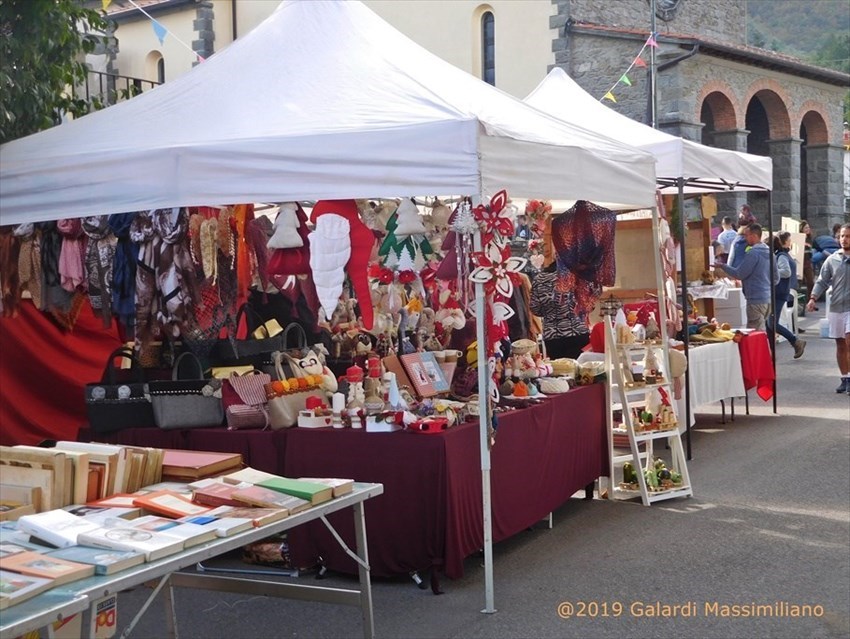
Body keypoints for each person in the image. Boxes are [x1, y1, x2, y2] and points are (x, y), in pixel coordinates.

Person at [806, 223, 850, 393]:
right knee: (840, 344)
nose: (844, 240)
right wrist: (812, 298)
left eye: (847, 236)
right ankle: (844, 378)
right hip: (837, 307)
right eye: (842, 236)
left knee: (849, 341)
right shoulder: (833, 259)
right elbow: (822, 280)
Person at [714, 223, 777, 332]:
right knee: (761, 331)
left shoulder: (753, 253)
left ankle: (762, 349)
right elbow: (776, 278)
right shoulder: (770, 253)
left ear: (754, 236)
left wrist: (722, 266)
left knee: (756, 334)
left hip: (755, 300)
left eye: (746, 235)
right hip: (767, 299)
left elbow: (739, 274)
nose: (745, 238)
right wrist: (765, 285)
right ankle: (765, 349)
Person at [529, 260, 590, 359]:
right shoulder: (576, 276)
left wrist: (549, 313)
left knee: (559, 369)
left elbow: (534, 308)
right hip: (577, 331)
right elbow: (588, 305)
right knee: (580, 369)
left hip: (552, 335)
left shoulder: (539, 279)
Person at [769, 232, 806, 359]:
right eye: (789, 239)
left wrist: (770, 271)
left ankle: (795, 341)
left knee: (772, 323)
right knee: (770, 323)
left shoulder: (781, 256)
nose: (791, 242)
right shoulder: (784, 255)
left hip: (779, 292)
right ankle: (770, 351)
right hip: (782, 291)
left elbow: (786, 272)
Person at [800, 220, 816, 302]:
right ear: (801, 229)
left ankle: (809, 300)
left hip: (808, 261)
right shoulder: (799, 237)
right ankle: (799, 301)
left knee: (811, 282)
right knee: (799, 281)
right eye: (806, 227)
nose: (808, 229)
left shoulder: (809, 238)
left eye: (808, 227)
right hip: (800, 262)